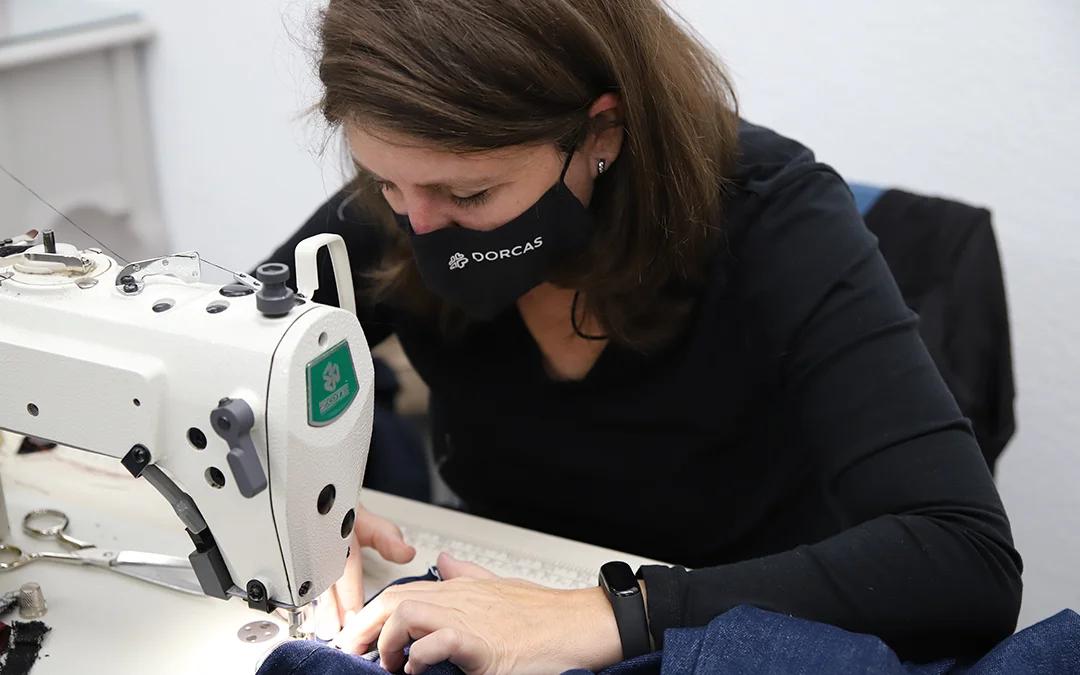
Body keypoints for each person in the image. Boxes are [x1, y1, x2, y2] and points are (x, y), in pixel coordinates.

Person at [260, 1, 1023, 672]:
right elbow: (230, 369)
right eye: (387, 182)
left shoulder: (774, 219)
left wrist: (616, 615)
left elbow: (968, 559)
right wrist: (303, 487)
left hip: (731, 630)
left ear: (603, 130)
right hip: (488, 596)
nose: (417, 224)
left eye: (469, 193)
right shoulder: (408, 199)